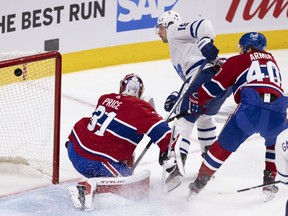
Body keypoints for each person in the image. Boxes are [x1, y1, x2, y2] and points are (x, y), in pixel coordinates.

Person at [187, 32, 288, 201]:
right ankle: (269, 180)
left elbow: (214, 87)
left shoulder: (238, 60)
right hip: (278, 112)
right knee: (274, 142)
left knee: (222, 147)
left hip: (250, 111)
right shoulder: (273, 62)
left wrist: (198, 97)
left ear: (246, 47)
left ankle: (199, 184)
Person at [66, 73, 180, 209]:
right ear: (141, 92)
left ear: (121, 86)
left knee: (123, 147)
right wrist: (170, 156)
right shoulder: (141, 109)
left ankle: (98, 178)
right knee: (134, 188)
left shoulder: (105, 98)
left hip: (73, 148)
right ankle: (87, 188)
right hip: (92, 161)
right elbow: (167, 137)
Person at [156, 10, 232, 189]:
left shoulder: (173, 30)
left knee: (184, 119)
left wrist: (205, 40)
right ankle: (209, 158)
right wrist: (178, 96)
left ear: (168, 23)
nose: (158, 32)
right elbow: (190, 78)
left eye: (159, 27)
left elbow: (203, 24)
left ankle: (177, 161)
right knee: (204, 116)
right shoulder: (181, 45)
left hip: (205, 75)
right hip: (220, 80)